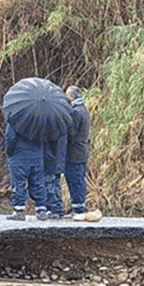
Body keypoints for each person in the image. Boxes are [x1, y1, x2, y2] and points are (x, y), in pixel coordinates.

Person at [4, 122, 48, 221]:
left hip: (19, 157)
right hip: (37, 157)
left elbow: (10, 138)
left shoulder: (15, 120)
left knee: (18, 183)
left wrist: (10, 153)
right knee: (38, 183)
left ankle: (19, 211)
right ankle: (41, 210)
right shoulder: (40, 121)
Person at [63, 86, 91, 217]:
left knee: (74, 180)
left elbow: (71, 133)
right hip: (82, 151)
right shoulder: (84, 110)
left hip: (74, 153)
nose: (66, 98)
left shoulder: (75, 112)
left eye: (67, 95)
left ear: (72, 97)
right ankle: (79, 206)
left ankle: (77, 209)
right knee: (79, 179)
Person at [42, 121, 67, 220]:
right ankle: (57, 208)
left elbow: (50, 144)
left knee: (50, 182)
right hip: (58, 159)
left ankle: (54, 209)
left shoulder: (53, 125)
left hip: (51, 159)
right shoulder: (63, 123)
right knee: (55, 182)